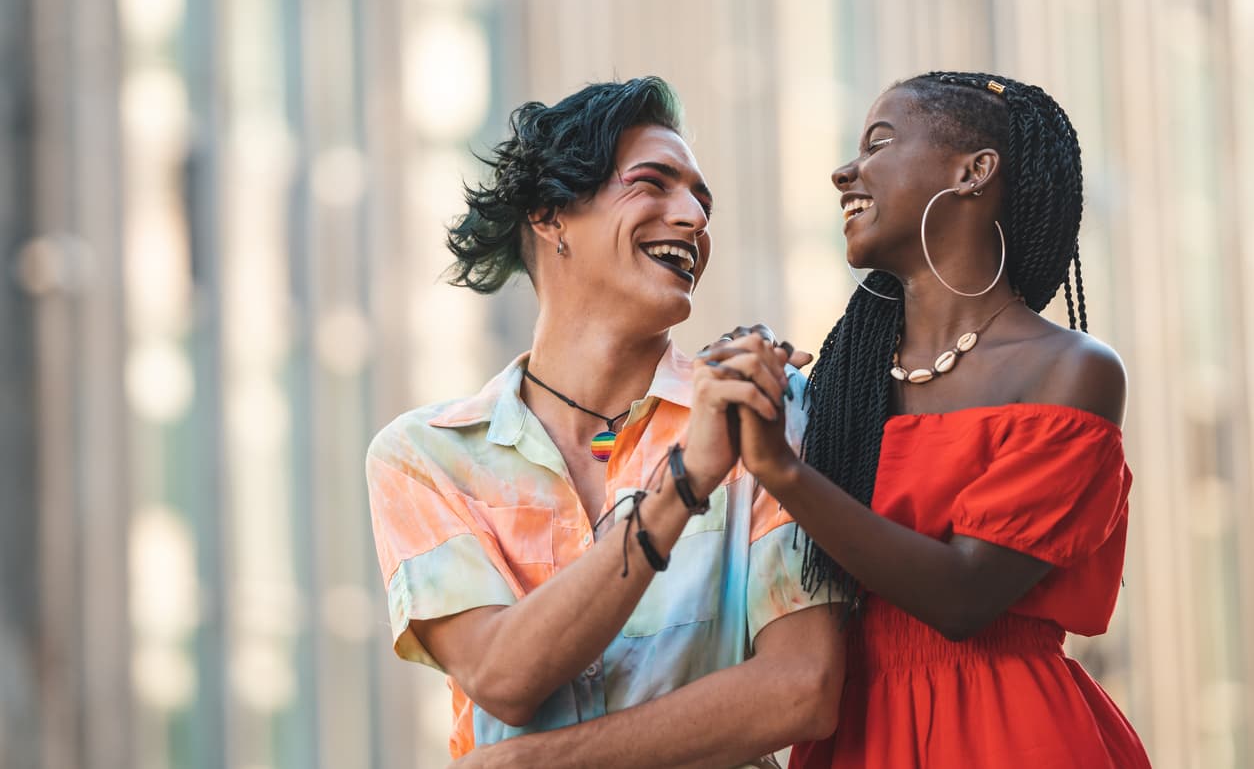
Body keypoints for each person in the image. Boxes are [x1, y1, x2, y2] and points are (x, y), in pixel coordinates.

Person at [365, 76, 844, 768]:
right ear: (550, 214)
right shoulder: (425, 457)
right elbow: (504, 678)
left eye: (702, 199)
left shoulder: (767, 410)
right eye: (653, 184)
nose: (693, 217)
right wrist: (682, 488)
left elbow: (804, 689)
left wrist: (540, 763)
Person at [698, 71, 1151, 767]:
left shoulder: (1071, 370)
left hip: (1008, 734)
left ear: (973, 172)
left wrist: (782, 472)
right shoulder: (840, 387)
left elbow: (963, 597)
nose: (843, 171)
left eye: (878, 143)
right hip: (853, 731)